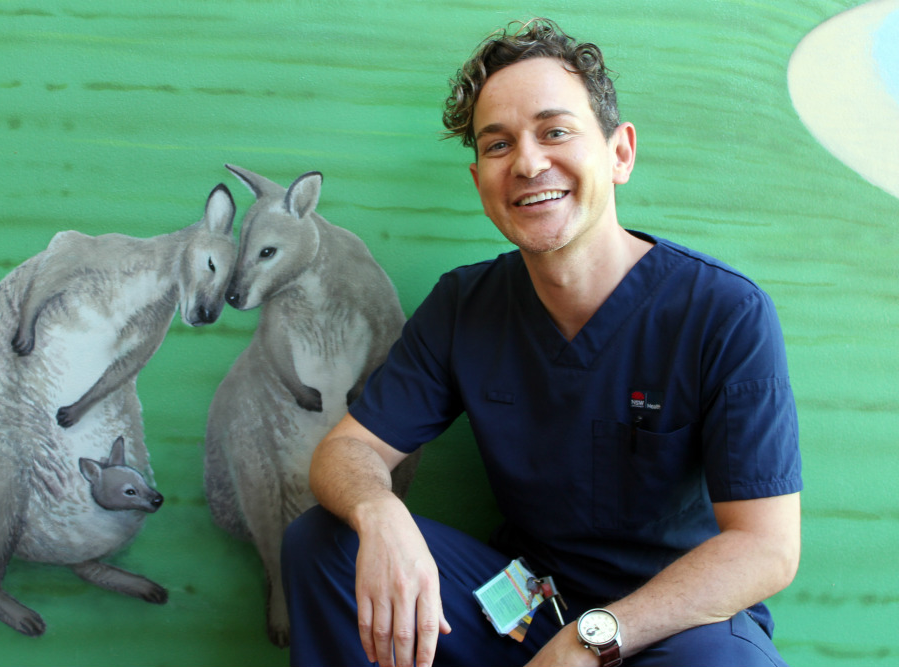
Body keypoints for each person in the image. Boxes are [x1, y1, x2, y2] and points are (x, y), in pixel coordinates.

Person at [281, 17, 802, 667]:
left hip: (677, 622)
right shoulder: (465, 305)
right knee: (326, 543)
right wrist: (379, 512)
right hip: (530, 604)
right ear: (479, 182)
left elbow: (766, 547)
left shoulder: (723, 311)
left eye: (555, 131)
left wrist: (590, 640)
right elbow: (347, 451)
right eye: (498, 145)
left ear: (620, 152)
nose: (528, 162)